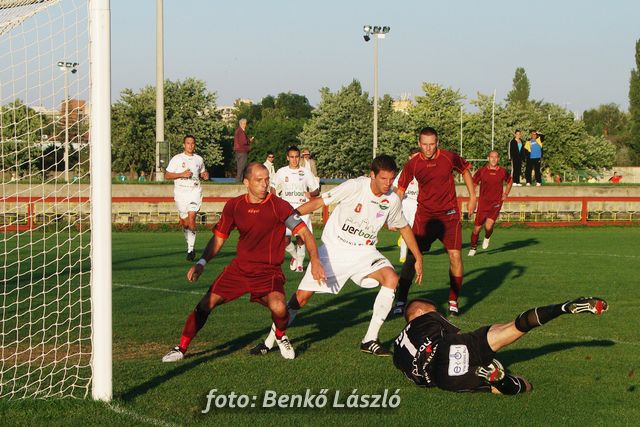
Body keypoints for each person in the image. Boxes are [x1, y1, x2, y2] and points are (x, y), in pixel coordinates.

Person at [250, 155, 423, 357]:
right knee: (301, 298)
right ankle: (269, 341)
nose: (388, 183)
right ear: (372, 175)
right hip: (334, 250)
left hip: (365, 252)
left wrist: (418, 257)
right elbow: (319, 201)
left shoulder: (392, 199)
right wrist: (288, 218)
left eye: (391, 179)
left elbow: (403, 226)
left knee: (391, 278)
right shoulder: (354, 186)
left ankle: (370, 340)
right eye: (383, 178)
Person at [162, 163, 326, 362]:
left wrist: (315, 260)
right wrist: (201, 263)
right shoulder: (234, 206)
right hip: (239, 270)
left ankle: (280, 336)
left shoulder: (279, 206)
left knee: (280, 308)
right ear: (246, 182)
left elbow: (305, 233)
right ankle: (180, 348)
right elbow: (219, 239)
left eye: (267, 179)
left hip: (268, 272)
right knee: (206, 303)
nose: (264, 184)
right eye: (259, 180)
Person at [393, 296, 608, 394]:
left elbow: (418, 380)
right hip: (448, 348)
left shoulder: (397, 351)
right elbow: (458, 335)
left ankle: (502, 381)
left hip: (443, 379)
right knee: (512, 327)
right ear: (420, 312)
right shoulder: (427, 317)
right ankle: (563, 307)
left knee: (513, 386)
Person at [394, 127, 476, 317]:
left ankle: (453, 300)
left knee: (455, 256)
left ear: (437, 143)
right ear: (419, 144)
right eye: (425, 144)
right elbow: (401, 189)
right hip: (425, 217)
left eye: (432, 144)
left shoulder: (449, 157)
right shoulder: (413, 164)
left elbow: (465, 170)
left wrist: (473, 197)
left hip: (449, 216)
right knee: (412, 257)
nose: (428, 148)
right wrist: (393, 213)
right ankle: (401, 299)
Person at [272, 146, 320, 272]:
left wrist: (311, 194)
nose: (294, 160)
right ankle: (294, 256)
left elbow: (316, 190)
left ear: (300, 158)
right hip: (286, 209)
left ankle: (300, 264)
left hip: (302, 209)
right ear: (287, 158)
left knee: (301, 237)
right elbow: (272, 187)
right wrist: (276, 199)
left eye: (297, 157)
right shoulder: (282, 172)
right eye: (292, 157)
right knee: (285, 239)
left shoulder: (306, 172)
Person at [164, 135, 209, 261]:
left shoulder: (199, 159)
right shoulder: (177, 159)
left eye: (192, 143)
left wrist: (205, 175)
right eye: (188, 143)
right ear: (184, 145)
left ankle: (191, 249)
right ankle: (189, 244)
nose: (190, 145)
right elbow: (167, 175)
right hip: (180, 193)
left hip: (194, 192)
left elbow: (202, 172)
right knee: (185, 223)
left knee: (192, 217)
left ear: (195, 145)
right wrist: (181, 174)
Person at [468, 150, 513, 256]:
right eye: (491, 157)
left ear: (498, 159)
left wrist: (506, 193)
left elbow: (510, 181)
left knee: (488, 226)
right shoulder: (482, 171)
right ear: (488, 158)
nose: (493, 159)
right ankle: (473, 247)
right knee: (477, 229)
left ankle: (487, 237)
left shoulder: (502, 171)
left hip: (496, 203)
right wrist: (472, 197)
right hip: (483, 203)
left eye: (496, 157)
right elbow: (473, 183)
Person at [394, 147, 421, 265]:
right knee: (406, 228)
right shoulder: (404, 171)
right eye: (414, 157)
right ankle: (403, 256)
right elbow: (395, 186)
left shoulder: (425, 170)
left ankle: (404, 240)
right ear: (409, 158)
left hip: (418, 204)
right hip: (406, 202)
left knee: (414, 231)